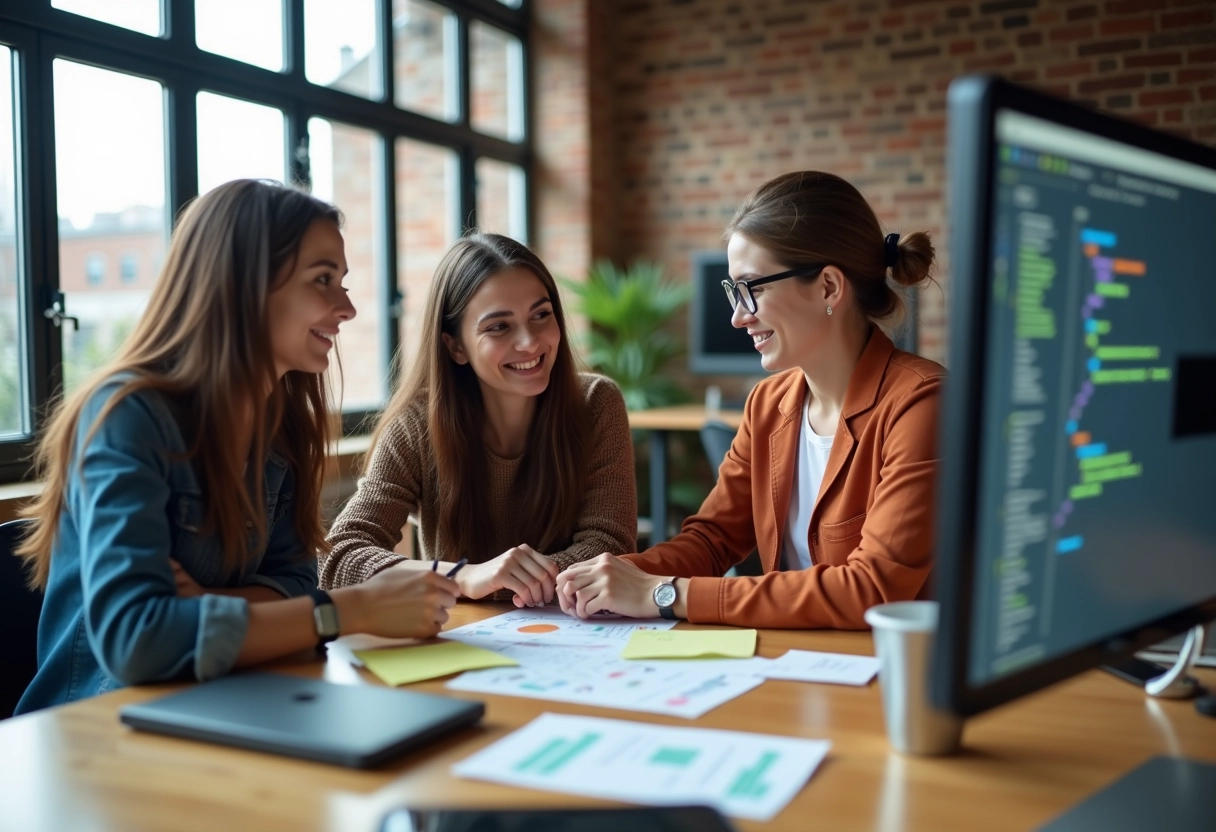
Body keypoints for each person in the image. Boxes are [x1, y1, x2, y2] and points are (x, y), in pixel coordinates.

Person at [16, 180, 458, 714]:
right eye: (323, 280)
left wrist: (203, 605)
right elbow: (137, 638)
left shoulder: (281, 424)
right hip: (95, 730)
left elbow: (298, 580)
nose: (347, 308)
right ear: (244, 285)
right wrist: (348, 610)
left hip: (227, 701)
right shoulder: (128, 415)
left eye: (342, 282)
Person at [557, 171, 945, 629]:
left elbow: (871, 588)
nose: (739, 317)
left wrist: (663, 594)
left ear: (828, 288)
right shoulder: (769, 403)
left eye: (752, 288)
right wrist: (606, 577)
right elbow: (712, 539)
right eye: (733, 291)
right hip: (800, 663)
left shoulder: (922, 404)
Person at [321, 233, 636, 608]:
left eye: (541, 315)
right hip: (460, 639)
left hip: (572, 635)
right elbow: (338, 557)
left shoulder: (596, 402)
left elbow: (609, 544)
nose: (530, 343)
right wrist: (462, 577)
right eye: (499, 327)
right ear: (455, 346)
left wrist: (502, 582)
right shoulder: (415, 426)